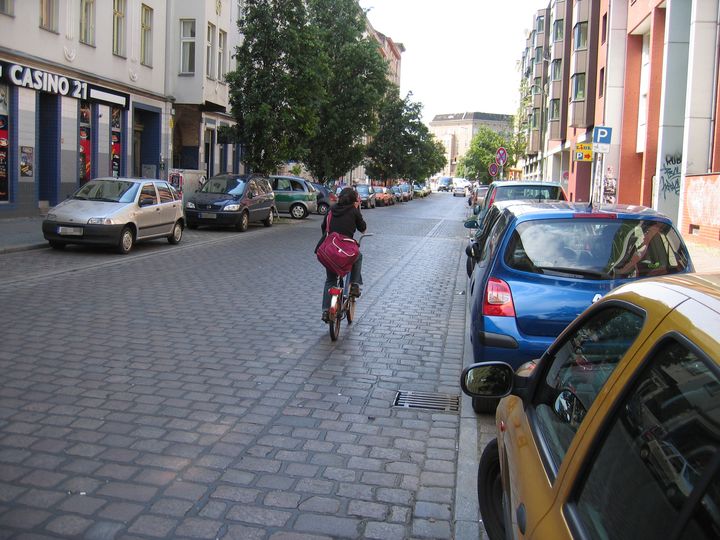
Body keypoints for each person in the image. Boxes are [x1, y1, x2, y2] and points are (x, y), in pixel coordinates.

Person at [318, 186, 367, 322]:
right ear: (353, 200)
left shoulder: (331, 210)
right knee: (358, 256)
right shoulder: (353, 211)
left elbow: (324, 228)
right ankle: (355, 285)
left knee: (330, 280)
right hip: (346, 250)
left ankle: (326, 311)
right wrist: (358, 210)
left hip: (330, 250)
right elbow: (363, 229)